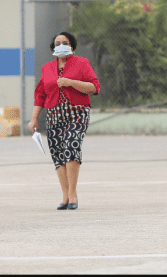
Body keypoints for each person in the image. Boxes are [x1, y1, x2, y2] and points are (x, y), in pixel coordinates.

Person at [28, 32, 100, 211]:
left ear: (72, 46)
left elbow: (94, 87)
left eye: (65, 42)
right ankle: (65, 194)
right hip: (54, 113)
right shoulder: (47, 68)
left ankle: (73, 194)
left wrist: (71, 82)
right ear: (53, 47)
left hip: (77, 112)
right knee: (58, 152)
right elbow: (40, 94)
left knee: (71, 146)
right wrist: (34, 118)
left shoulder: (82, 63)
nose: (60, 45)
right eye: (57, 43)